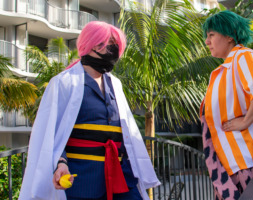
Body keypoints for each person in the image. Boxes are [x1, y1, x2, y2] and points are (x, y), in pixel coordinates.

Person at [19, 21, 160, 200]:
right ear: (89, 45)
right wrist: (60, 163)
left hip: (120, 176)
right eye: (105, 44)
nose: (112, 50)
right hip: (82, 180)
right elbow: (51, 135)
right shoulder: (63, 83)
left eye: (114, 45)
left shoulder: (115, 84)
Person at [200, 11, 253, 199]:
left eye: (211, 35)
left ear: (229, 35)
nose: (207, 41)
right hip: (234, 165)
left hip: (249, 162)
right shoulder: (224, 69)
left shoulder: (242, 55)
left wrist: (246, 121)